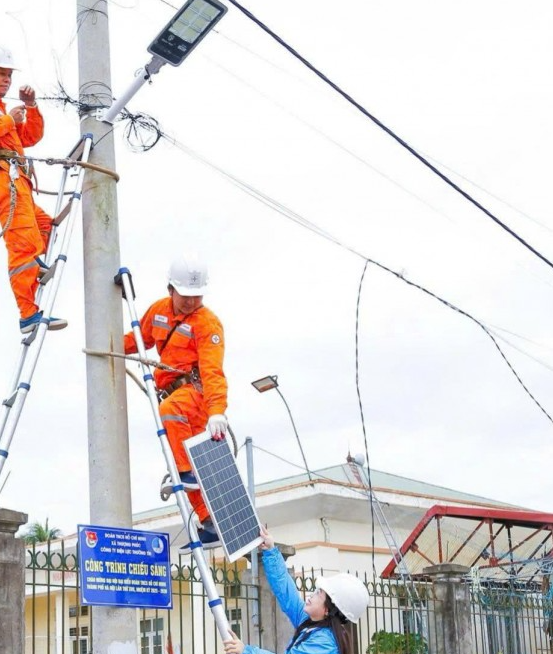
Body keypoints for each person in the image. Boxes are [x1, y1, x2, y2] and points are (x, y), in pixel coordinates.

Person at [123, 254, 227, 549]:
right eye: (185, 296)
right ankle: (209, 523)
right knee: (189, 457)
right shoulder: (158, 310)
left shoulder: (208, 324)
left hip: (195, 393)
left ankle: (186, 474)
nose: (192, 302)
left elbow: (212, 370)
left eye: (197, 296)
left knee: (173, 419)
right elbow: (138, 340)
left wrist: (217, 411)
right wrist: (107, 344)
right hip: (172, 391)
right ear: (171, 289)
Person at [0, 44, 66, 333]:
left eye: (9, 75)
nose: (7, 79)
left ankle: (35, 267)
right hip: (1, 181)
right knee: (24, 246)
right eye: (1, 73)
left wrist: (30, 109)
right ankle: (28, 315)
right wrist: (9, 119)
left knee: (44, 224)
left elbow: (30, 137)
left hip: (16, 182)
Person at [223, 528, 370, 654]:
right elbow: (286, 593)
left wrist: (246, 651)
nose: (311, 595)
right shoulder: (310, 623)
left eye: (319, 593)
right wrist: (271, 550)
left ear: (328, 609)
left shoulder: (323, 642)